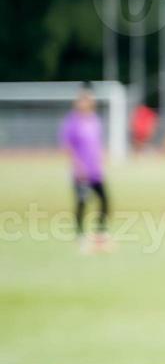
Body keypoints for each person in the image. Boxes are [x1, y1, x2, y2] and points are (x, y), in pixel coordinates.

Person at [59, 82, 111, 254]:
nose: (87, 102)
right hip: (81, 172)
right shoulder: (72, 122)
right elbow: (68, 146)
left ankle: (99, 232)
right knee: (82, 203)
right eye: (83, 99)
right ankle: (79, 235)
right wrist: (78, 166)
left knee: (105, 201)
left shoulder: (94, 119)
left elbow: (96, 144)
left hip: (95, 171)